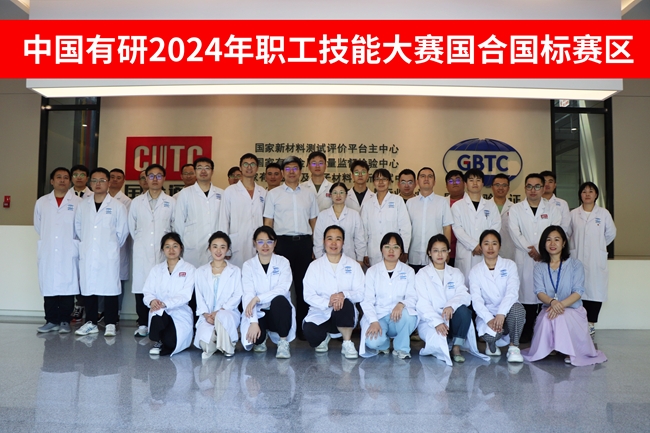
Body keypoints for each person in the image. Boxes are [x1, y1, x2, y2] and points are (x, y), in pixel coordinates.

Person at [521, 226, 607, 366]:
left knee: (562, 317)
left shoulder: (575, 265)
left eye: (557, 239)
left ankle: (569, 351)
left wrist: (559, 305)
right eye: (548, 240)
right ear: (543, 243)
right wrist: (553, 303)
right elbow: (539, 292)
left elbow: (578, 292)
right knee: (548, 317)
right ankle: (551, 347)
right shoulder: (539, 267)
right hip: (549, 308)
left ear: (564, 243)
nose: (552, 243)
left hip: (573, 310)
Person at [263, 156, 319, 339]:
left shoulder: (309, 194)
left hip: (304, 243)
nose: (291, 172)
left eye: (295, 168)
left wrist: (315, 246)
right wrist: (270, 246)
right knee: (281, 286)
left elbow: (314, 222)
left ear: (301, 171)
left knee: (304, 286)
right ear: (282, 172)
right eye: (287, 169)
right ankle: (281, 327)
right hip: (282, 244)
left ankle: (303, 327)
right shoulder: (273, 194)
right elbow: (268, 222)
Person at [416, 234, 488, 365]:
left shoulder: (455, 273)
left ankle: (456, 347)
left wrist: (451, 306)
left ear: (448, 252)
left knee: (464, 311)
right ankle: (446, 340)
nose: (440, 254)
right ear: (429, 252)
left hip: (452, 318)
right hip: (431, 320)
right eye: (436, 250)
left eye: (443, 250)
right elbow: (422, 303)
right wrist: (437, 322)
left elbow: (464, 295)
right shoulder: (422, 274)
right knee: (437, 346)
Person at [74, 168, 129, 337]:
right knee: (89, 288)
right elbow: (78, 228)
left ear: (108, 183)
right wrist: (90, 245)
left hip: (108, 254)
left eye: (102, 180)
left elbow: (122, 232)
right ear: (90, 183)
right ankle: (90, 322)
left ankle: (110, 323)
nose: (98, 184)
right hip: (89, 253)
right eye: (95, 180)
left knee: (110, 289)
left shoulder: (118, 206)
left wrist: (109, 247)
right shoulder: (83, 205)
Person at [508, 173, 561, 343]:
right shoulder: (516, 209)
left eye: (537, 186)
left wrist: (541, 250)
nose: (533, 190)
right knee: (525, 295)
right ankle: (526, 330)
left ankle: (544, 332)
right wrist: (531, 250)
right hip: (524, 257)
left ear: (543, 188)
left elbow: (555, 232)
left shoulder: (553, 209)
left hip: (546, 257)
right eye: (529, 186)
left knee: (545, 293)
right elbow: (514, 232)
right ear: (525, 188)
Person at [303, 225, 364, 358]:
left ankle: (347, 342)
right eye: (330, 239)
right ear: (324, 241)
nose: (334, 243)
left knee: (345, 302)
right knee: (311, 333)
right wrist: (328, 302)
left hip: (344, 313)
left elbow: (361, 292)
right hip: (320, 312)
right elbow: (308, 295)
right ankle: (324, 337)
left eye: (338, 239)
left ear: (343, 242)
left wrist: (343, 295)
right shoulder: (314, 266)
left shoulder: (353, 265)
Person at [128, 164, 175, 337]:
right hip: (142, 250)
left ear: (164, 179)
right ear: (146, 179)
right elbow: (132, 227)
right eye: (151, 176)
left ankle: (159, 321)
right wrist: (143, 240)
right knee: (141, 286)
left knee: (162, 287)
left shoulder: (171, 202)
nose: (155, 179)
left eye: (159, 176)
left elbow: (175, 226)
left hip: (163, 252)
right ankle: (142, 323)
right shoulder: (136, 202)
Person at [34, 167, 82, 334]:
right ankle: (51, 320)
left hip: (68, 250)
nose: (62, 180)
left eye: (66, 177)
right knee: (49, 287)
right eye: (58, 177)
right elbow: (39, 225)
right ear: (52, 181)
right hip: (48, 250)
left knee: (68, 288)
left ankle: (64, 321)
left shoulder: (78, 202)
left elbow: (80, 227)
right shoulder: (42, 202)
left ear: (70, 181)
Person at [567, 182, 616, 335]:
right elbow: (567, 233)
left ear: (596, 195)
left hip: (596, 259)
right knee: (577, 291)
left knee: (595, 292)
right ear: (580, 195)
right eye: (584, 191)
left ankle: (591, 324)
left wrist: (598, 246)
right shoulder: (573, 214)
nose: (587, 194)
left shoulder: (604, 214)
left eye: (591, 191)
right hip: (578, 257)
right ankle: (578, 323)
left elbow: (611, 233)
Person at [469, 230, 525, 363]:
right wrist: (489, 319)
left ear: (499, 246)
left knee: (518, 310)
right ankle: (491, 344)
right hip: (488, 313)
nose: (490, 247)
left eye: (494, 243)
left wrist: (501, 314)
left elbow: (512, 292)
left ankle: (514, 347)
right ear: (480, 246)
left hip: (507, 311)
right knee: (490, 336)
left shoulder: (509, 265)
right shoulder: (475, 271)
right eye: (486, 243)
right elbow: (476, 300)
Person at [240, 226, 296, 359]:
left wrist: (258, 298)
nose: (265, 245)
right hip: (258, 311)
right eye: (260, 241)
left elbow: (282, 289)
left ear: (275, 243)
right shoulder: (248, 265)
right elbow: (248, 294)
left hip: (278, 311)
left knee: (280, 300)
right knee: (256, 340)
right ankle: (262, 337)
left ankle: (283, 342)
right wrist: (253, 322)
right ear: (254, 243)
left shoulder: (283, 262)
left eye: (269, 241)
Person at [360, 233, 417, 359]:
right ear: (381, 249)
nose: (391, 251)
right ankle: (384, 344)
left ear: (401, 250)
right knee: (372, 341)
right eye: (387, 246)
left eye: (396, 247)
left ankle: (401, 348)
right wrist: (373, 321)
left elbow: (413, 296)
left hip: (399, 317)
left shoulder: (408, 271)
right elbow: (367, 300)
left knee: (409, 316)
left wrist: (401, 304)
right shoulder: (372, 271)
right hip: (379, 316)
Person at [142, 232, 195, 357]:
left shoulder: (190, 269)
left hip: (180, 312)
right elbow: (147, 291)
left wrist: (165, 304)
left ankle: (166, 340)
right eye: (167, 246)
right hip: (159, 311)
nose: (171, 250)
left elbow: (186, 295)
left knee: (172, 343)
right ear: (162, 249)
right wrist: (152, 301)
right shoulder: (156, 270)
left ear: (181, 248)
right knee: (159, 315)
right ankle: (159, 341)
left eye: (175, 246)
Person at [194, 231, 242, 359]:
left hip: (228, 312)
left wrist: (220, 311)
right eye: (215, 246)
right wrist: (206, 314)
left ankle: (227, 346)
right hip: (208, 316)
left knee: (222, 318)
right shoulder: (200, 271)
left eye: (222, 247)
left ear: (228, 249)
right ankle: (219, 338)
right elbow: (199, 296)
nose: (218, 251)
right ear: (209, 248)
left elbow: (237, 295)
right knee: (205, 345)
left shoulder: (235, 271)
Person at [451, 169, 501, 282]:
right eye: (471, 180)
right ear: (465, 183)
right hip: (466, 252)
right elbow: (457, 229)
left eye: (478, 180)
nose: (475, 183)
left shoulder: (491, 205)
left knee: (486, 284)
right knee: (465, 284)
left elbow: (496, 225)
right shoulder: (457, 206)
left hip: (486, 251)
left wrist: (484, 245)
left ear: (482, 184)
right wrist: (474, 245)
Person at [219, 153, 267, 268]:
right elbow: (224, 219)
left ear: (257, 168)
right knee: (236, 273)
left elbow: (266, 219)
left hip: (258, 244)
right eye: (245, 164)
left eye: (252, 164)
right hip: (236, 244)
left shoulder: (263, 192)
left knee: (256, 273)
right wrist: (224, 247)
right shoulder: (230, 191)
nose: (249, 167)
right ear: (240, 167)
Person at [174, 157, 224, 267]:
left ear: (212, 171)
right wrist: (179, 246)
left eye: (207, 168)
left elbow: (225, 221)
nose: (203, 171)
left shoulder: (221, 193)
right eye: (199, 168)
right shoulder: (185, 193)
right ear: (195, 171)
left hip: (216, 248)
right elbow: (179, 222)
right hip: (192, 248)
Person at [361, 169, 411, 267]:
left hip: (394, 251)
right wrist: (365, 252)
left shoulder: (398, 200)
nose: (380, 182)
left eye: (384, 179)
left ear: (389, 182)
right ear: (373, 182)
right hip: (373, 252)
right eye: (377, 179)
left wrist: (404, 250)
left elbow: (405, 227)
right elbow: (363, 231)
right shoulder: (367, 204)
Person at [406, 167, 453, 274]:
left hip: (436, 256)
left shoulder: (442, 202)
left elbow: (447, 228)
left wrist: (447, 250)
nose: (426, 179)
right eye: (423, 176)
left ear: (434, 182)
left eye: (430, 176)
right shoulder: (410, 203)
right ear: (417, 182)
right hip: (414, 255)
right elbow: (406, 229)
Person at [313, 182, 365, 264]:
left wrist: (360, 259)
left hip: (349, 258)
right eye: (335, 193)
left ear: (346, 195)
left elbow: (359, 239)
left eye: (341, 192)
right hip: (326, 260)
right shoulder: (323, 215)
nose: (338, 195)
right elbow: (318, 240)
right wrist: (319, 258)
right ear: (330, 195)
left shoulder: (354, 215)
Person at [69, 164, 92, 323]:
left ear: (87, 178)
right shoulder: (66, 196)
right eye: (75, 174)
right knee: (71, 275)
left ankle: (83, 305)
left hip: (88, 243)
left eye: (82, 174)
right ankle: (73, 307)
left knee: (85, 276)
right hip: (69, 243)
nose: (79, 177)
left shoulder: (93, 196)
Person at [108, 168, 132, 314]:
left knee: (117, 278)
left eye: (118, 178)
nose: (115, 180)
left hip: (119, 245)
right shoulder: (97, 199)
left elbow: (125, 226)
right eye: (112, 177)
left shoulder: (127, 202)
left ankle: (115, 312)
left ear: (123, 181)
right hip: (100, 246)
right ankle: (100, 312)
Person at [488, 173, 515, 260]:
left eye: (504, 185)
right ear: (492, 187)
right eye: (497, 185)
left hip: (508, 249)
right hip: (488, 249)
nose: (500, 188)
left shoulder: (514, 208)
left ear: (508, 188)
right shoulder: (485, 206)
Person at [445, 170, 465, 267]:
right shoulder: (442, 202)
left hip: (466, 250)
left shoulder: (470, 203)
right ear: (446, 186)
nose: (454, 183)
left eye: (457, 180)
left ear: (464, 183)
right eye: (451, 181)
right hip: (445, 252)